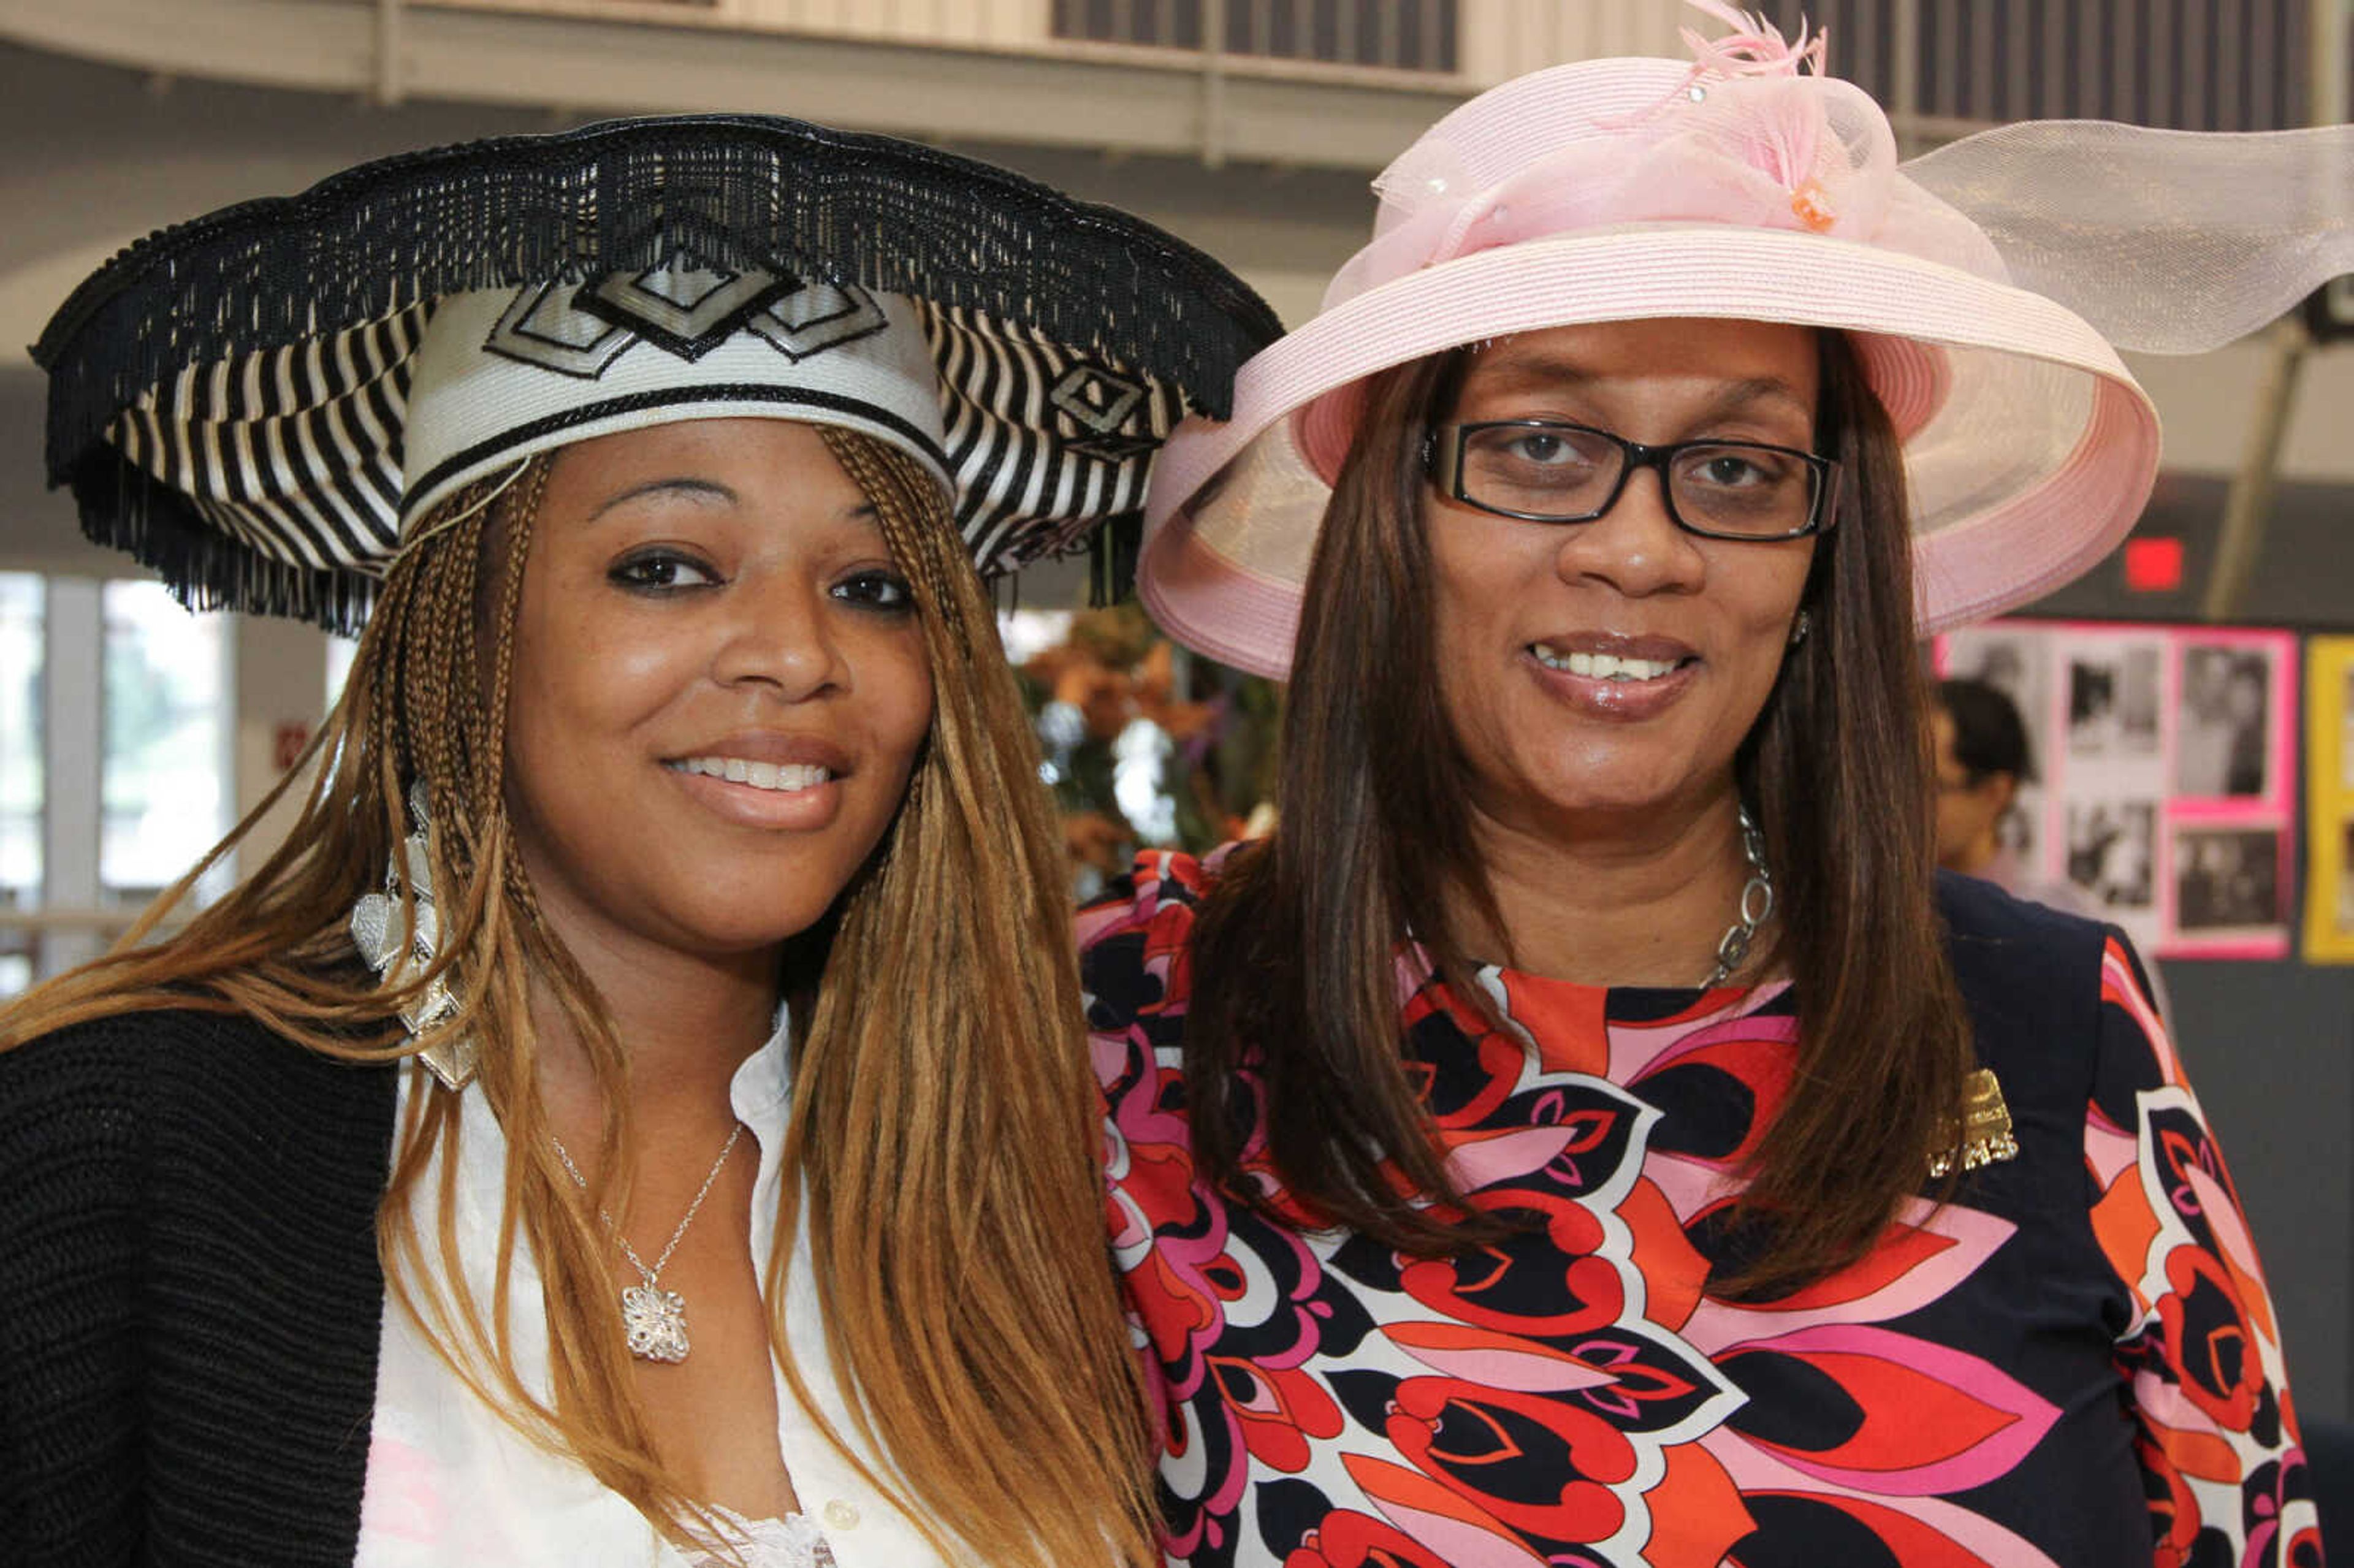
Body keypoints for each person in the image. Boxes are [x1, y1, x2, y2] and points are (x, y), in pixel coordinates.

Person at [1081, 9, 2346, 1565]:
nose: (1640, 546)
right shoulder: (1142, 1029)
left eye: (1739, 469)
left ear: (1825, 555)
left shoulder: (2042, 1020)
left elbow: (2244, 1525)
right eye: (1543, 443)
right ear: (1395, 522)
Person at [0, 116, 1279, 1566]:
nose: (797, 654)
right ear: (464, 636)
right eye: (665, 566)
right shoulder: (115, 1149)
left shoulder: (1031, 1175)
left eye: (873, 587)